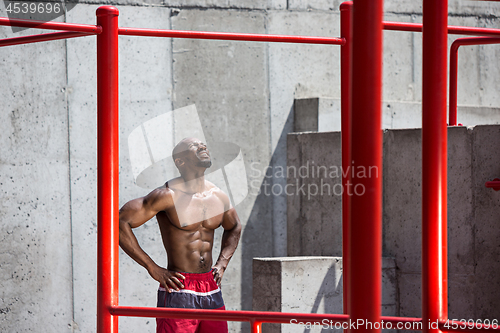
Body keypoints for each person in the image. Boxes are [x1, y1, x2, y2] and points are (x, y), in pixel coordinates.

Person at [119, 137, 242, 333]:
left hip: (211, 286)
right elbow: (120, 222)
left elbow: (234, 226)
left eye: (203, 144)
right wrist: (152, 267)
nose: (203, 146)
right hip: (178, 287)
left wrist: (223, 262)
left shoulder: (218, 196)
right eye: (194, 146)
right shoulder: (167, 195)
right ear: (180, 161)